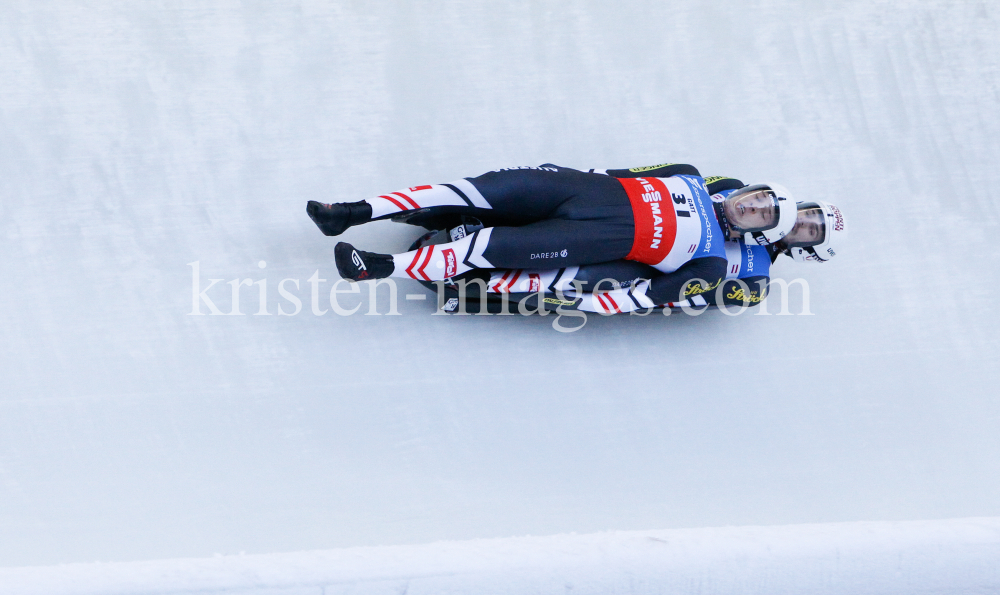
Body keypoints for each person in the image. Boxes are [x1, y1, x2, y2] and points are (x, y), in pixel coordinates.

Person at [307, 164, 798, 308]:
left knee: (486, 247)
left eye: (761, 214)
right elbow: (622, 170)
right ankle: (352, 211)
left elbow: (650, 297)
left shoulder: (711, 262)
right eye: (757, 196)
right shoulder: (690, 175)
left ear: (755, 231)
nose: (751, 205)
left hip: (589, 238)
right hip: (576, 190)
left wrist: (586, 301)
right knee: (470, 190)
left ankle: (378, 267)